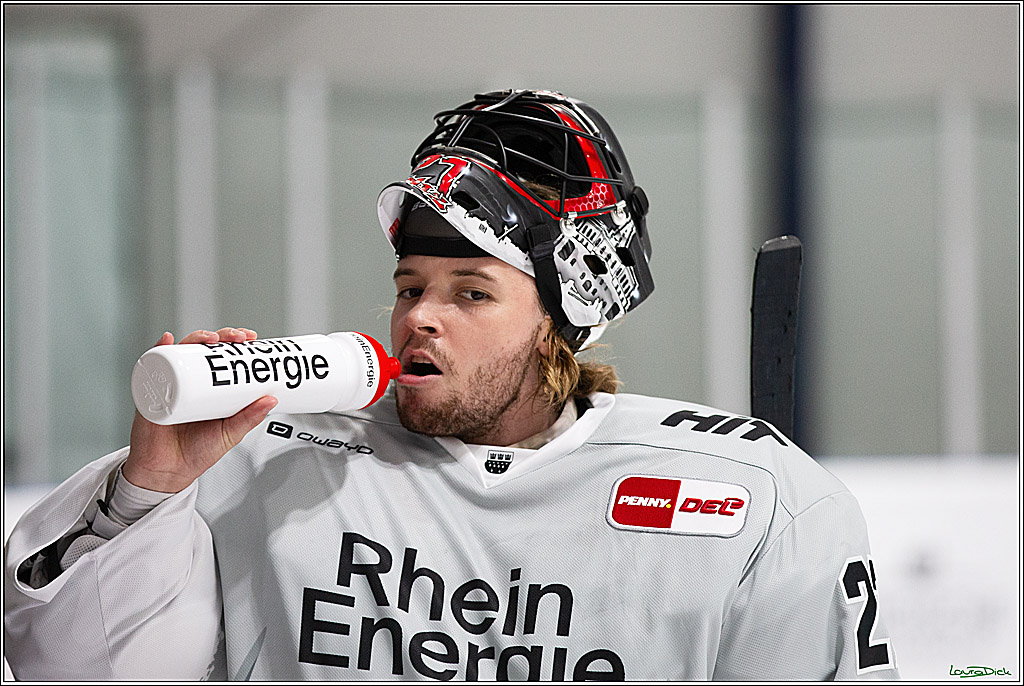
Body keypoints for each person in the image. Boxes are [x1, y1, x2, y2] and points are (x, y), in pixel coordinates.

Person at [3, 89, 898, 680]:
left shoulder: (752, 502)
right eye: (409, 288)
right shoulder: (267, 462)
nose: (421, 318)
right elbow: (69, 670)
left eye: (472, 292)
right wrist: (147, 495)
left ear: (560, 317)